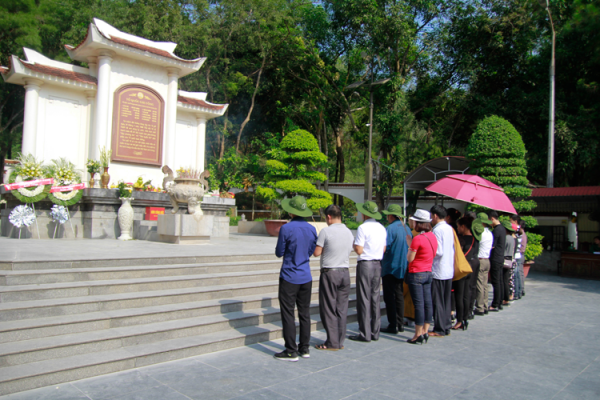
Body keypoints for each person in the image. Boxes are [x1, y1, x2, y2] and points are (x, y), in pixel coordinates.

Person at [274, 196, 317, 361]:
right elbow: (311, 251)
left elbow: (279, 252)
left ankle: (291, 350)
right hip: (306, 275)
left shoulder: (286, 228)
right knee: (305, 313)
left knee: (288, 313)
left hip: (289, 275)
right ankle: (304, 348)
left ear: (292, 211)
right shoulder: (312, 228)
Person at [313, 205, 354, 351]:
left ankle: (332, 342)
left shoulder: (326, 231)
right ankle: (339, 341)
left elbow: (316, 253)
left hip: (330, 272)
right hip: (345, 273)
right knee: (341, 309)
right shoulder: (349, 232)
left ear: (329, 217)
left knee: (328, 308)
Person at [349, 201, 387, 342]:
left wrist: (354, 245)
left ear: (365, 214)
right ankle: (375, 331)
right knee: (375, 297)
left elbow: (359, 250)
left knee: (364, 298)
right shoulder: (382, 228)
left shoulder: (363, 228)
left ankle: (365, 333)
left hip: (365, 264)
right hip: (377, 263)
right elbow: (384, 248)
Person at [405, 209, 437, 344]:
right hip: (428, 272)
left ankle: (418, 334)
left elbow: (410, 258)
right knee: (427, 303)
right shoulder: (432, 236)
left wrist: (409, 244)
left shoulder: (417, 239)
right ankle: (425, 331)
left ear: (418, 223)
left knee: (418, 304)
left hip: (416, 273)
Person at [381, 204, 412, 334]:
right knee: (399, 295)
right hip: (403, 266)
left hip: (390, 266)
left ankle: (392, 324)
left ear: (391, 215)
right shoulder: (407, 228)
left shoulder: (390, 229)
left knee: (389, 297)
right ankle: (400, 323)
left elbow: (385, 247)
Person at [429, 205, 455, 337]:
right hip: (448, 269)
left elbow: (438, 251)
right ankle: (446, 325)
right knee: (446, 300)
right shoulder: (449, 228)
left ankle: (439, 328)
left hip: (439, 269)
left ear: (435, 216)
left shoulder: (437, 230)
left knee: (438, 300)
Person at [452, 216, 480, 330]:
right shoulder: (475, 239)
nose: (457, 228)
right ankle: (465, 318)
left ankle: (459, 320)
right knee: (466, 294)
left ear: (463, 227)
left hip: (461, 268)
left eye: (458, 226)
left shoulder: (461, 239)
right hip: (470, 267)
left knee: (459, 295)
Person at [474, 212, 493, 316]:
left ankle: (480, 307)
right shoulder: (489, 233)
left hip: (480, 259)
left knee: (479, 285)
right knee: (485, 284)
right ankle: (485, 305)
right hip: (487, 259)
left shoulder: (481, 233)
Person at [488, 211, 506, 312]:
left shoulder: (496, 230)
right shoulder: (502, 229)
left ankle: (495, 304)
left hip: (495, 258)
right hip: (500, 257)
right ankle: (499, 302)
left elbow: (492, 246)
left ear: (492, 219)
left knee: (495, 282)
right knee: (500, 281)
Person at [502, 221, 517, 305]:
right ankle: (507, 297)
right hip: (510, 259)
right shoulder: (512, 238)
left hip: (504, 259)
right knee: (507, 280)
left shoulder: (505, 238)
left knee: (503, 280)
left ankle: (504, 298)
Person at [510, 215, 524, 300]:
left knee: (515, 275)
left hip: (516, 255)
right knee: (517, 275)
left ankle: (516, 293)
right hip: (518, 255)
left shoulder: (516, 231)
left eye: (511, 221)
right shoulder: (520, 231)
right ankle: (518, 293)